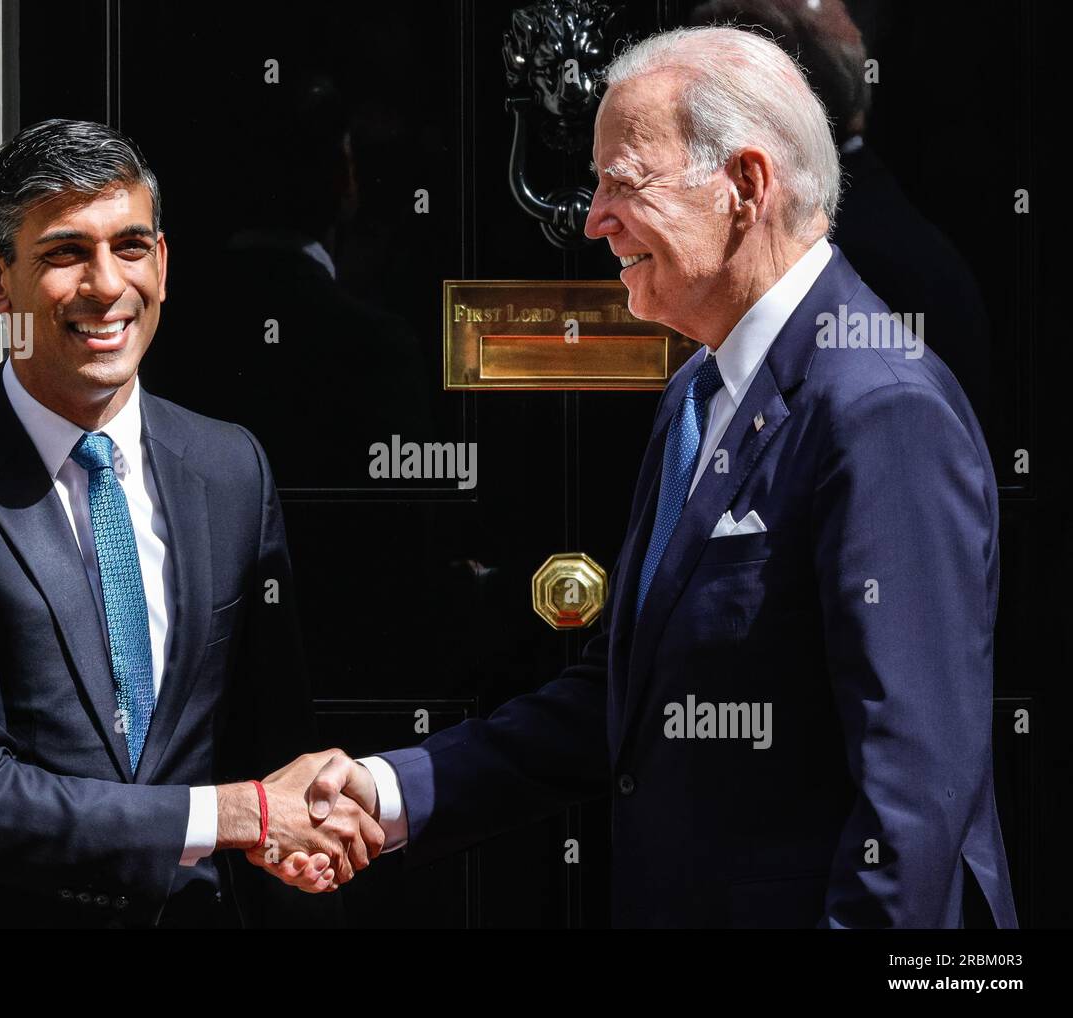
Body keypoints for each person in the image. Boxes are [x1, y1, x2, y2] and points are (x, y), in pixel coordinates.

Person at [259, 26, 1019, 929]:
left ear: (745, 185)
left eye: (624, 183)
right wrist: (386, 790)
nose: (591, 219)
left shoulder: (879, 409)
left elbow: (913, 801)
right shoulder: (702, 388)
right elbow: (626, 702)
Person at [0, 118, 382, 929]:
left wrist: (300, 840)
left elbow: (269, 744)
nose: (106, 284)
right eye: (65, 253)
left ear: (162, 263)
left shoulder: (232, 468)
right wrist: (243, 816)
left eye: (131, 247)